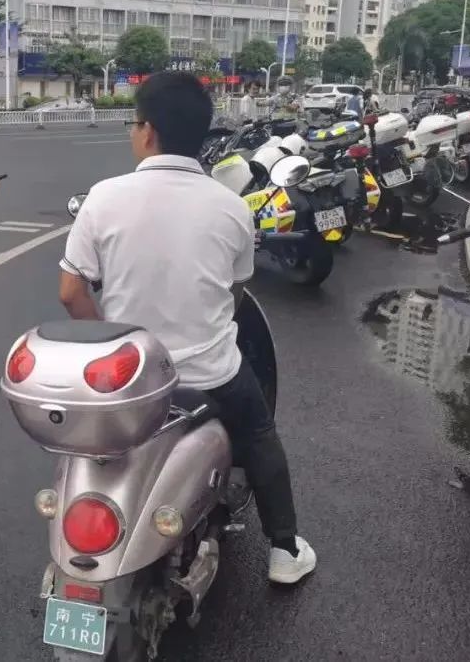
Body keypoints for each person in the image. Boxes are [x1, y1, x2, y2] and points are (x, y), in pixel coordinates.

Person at [57, 71, 317, 585]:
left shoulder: (103, 198)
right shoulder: (232, 207)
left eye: (134, 124)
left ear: (148, 131)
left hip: (131, 380)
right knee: (259, 432)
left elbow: (71, 292)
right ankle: (285, 549)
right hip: (210, 376)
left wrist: (112, 342)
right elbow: (235, 293)